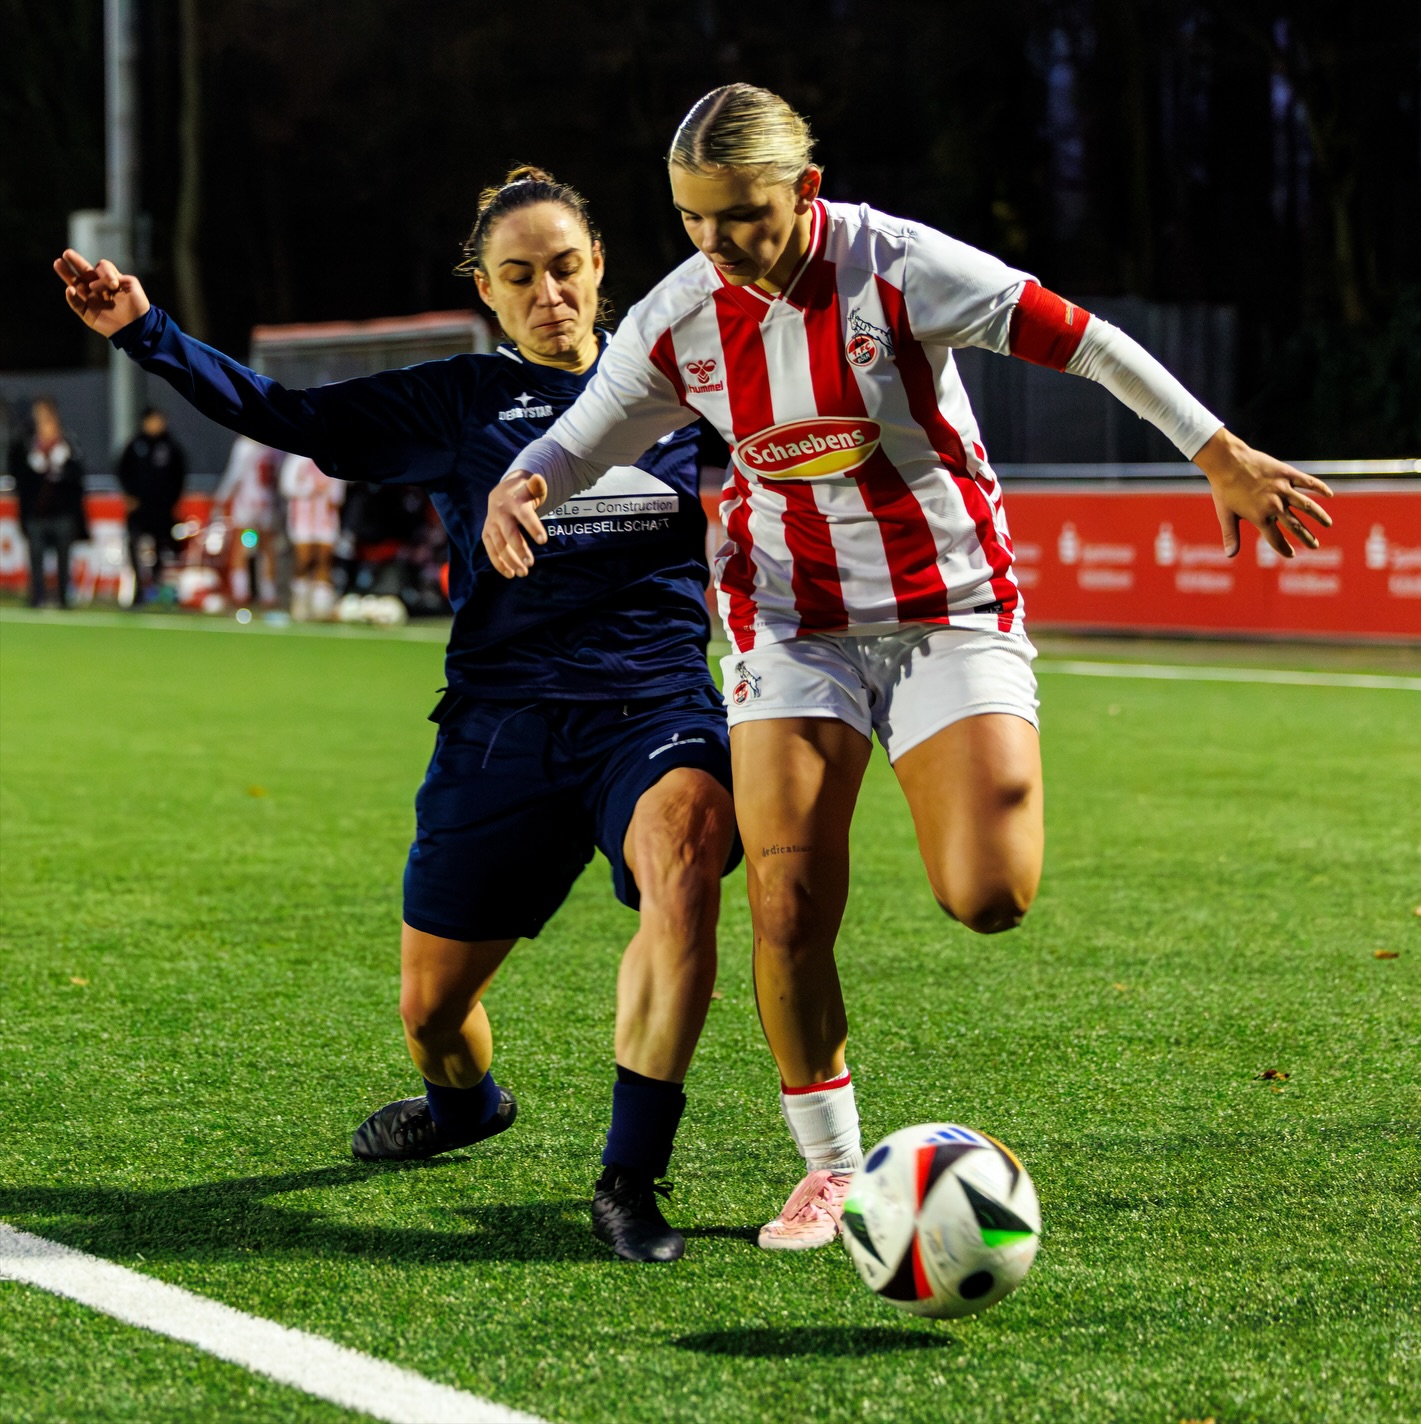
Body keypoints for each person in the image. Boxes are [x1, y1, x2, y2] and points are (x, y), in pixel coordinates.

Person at [484, 84, 1336, 1251]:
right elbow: (585, 435)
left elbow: (1083, 340)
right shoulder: (680, 319)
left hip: (950, 610)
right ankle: (833, 1172)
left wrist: (1215, 448)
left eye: (741, 215)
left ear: (805, 191)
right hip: (792, 625)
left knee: (990, 895)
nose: (714, 241)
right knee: (785, 900)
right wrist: (525, 481)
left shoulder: (896, 267)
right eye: (691, 217)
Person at [54, 164, 742, 1264]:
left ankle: (629, 1177)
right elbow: (286, 414)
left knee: (687, 861)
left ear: (601, 266)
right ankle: (464, 1107)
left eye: (567, 267)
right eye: (520, 275)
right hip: (501, 725)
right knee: (431, 1013)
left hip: (652, 706)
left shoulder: (684, 384)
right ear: (486, 290)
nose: (550, 293)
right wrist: (147, 333)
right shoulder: (458, 401)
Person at [10, 396, 88, 608]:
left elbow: (79, 477)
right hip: (36, 513)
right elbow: (18, 475)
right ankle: (37, 597)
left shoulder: (68, 442)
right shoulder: (26, 443)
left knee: (64, 557)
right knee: (35, 557)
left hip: (62, 512)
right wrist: (33, 467)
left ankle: (63, 598)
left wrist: (62, 468)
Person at [117, 406, 188, 604]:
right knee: (134, 544)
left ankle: (156, 589)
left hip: (162, 510)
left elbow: (179, 476)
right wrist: (129, 494)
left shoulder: (170, 447)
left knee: (162, 547)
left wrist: (174, 501)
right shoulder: (135, 445)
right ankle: (138, 588)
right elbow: (122, 471)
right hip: (139, 509)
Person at [214, 435, 281, 609]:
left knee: (242, 546)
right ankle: (268, 593)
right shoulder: (274, 447)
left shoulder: (245, 445)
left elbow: (235, 475)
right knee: (267, 548)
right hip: (267, 503)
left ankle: (241, 592)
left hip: (248, 501)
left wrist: (221, 498)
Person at [278, 452, 344, 620]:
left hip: (326, 517)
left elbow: (338, 491)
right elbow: (287, 486)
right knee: (304, 559)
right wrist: (310, 487)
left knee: (324, 560)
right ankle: (300, 601)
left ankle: (320, 606)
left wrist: (328, 493)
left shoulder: (333, 458)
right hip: (303, 517)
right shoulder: (297, 459)